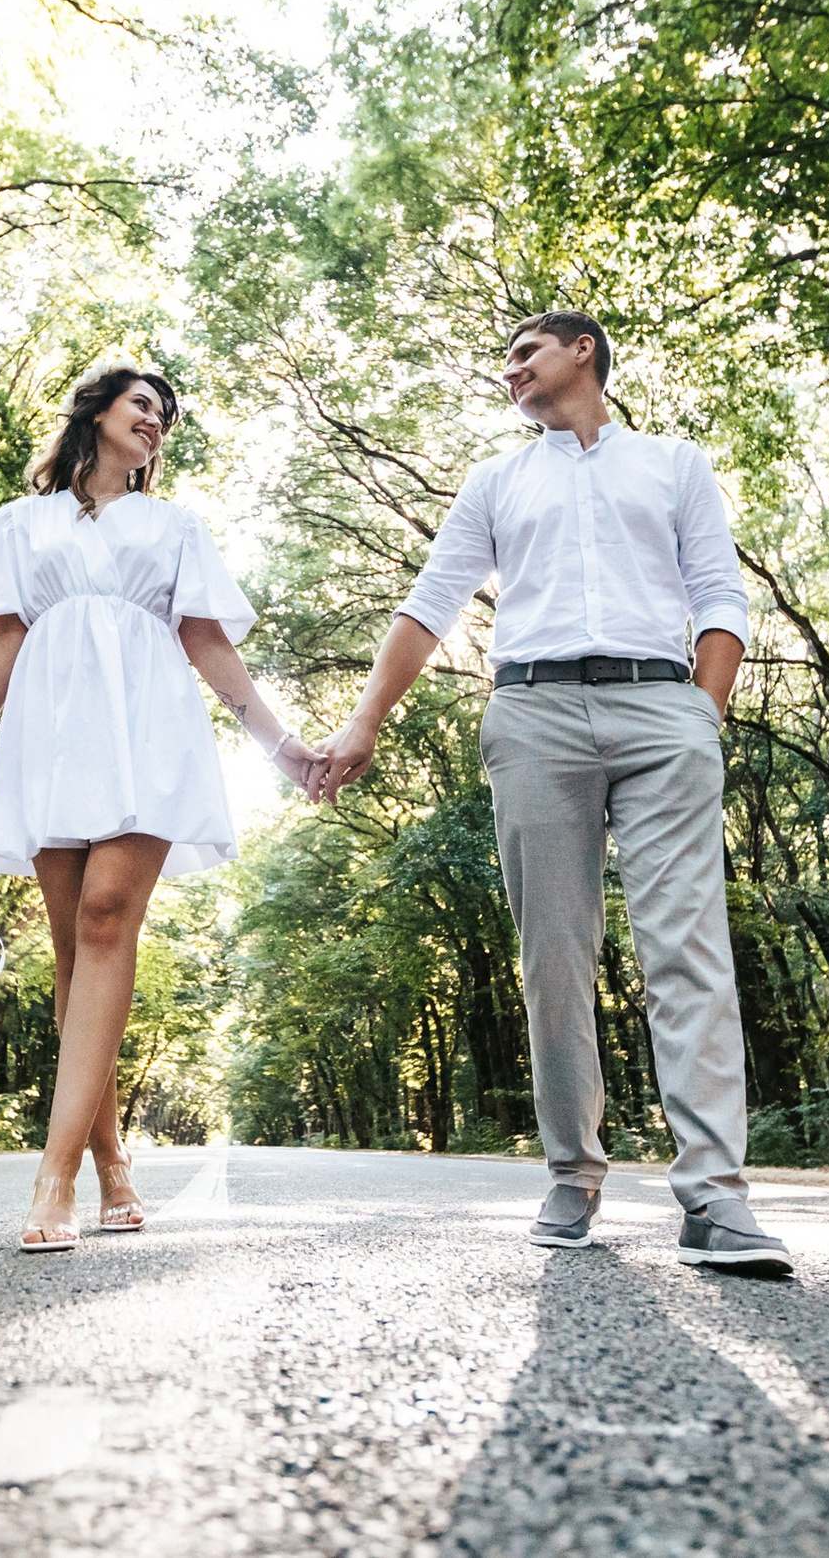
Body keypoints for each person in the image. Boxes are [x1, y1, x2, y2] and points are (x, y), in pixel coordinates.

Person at [310, 312, 792, 1275]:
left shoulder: (674, 463)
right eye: (504, 360)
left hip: (664, 710)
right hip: (532, 717)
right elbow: (433, 599)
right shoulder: (498, 479)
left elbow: (721, 594)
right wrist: (363, 722)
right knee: (555, 956)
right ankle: (573, 1172)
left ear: (585, 353)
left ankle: (716, 1199)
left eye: (526, 351)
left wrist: (704, 711)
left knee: (688, 948)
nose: (511, 369)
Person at [0, 365, 322, 1252]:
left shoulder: (175, 526)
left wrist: (279, 743)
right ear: (97, 413)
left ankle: (54, 1173)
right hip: (52, 728)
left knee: (110, 920)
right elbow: (5, 636)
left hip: (147, 724)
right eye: (143, 404)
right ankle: (111, 1161)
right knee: (74, 949)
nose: (157, 422)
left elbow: (205, 638)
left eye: (166, 416)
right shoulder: (19, 523)